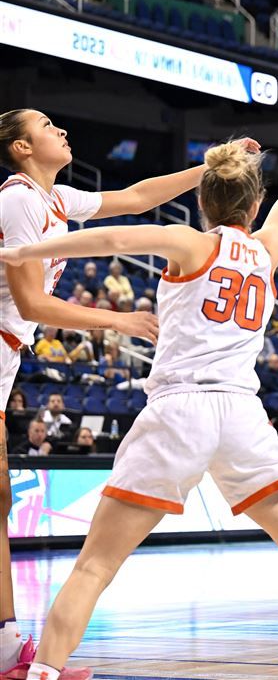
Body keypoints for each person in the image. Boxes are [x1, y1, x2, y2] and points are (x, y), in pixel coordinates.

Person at [0, 97, 278, 680]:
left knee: (94, 568)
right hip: (241, 416)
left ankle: (42, 674)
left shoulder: (190, 241)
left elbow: (111, 241)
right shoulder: (267, 249)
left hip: (179, 410)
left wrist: (25, 250)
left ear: (201, 202)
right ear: (254, 204)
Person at [0, 106, 204, 678]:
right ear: (21, 147)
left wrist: (205, 169)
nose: (62, 130)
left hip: (8, 351)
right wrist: (117, 321)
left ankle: (8, 643)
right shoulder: (17, 199)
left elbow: (138, 197)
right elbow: (35, 305)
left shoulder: (56, 200)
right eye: (46, 127)